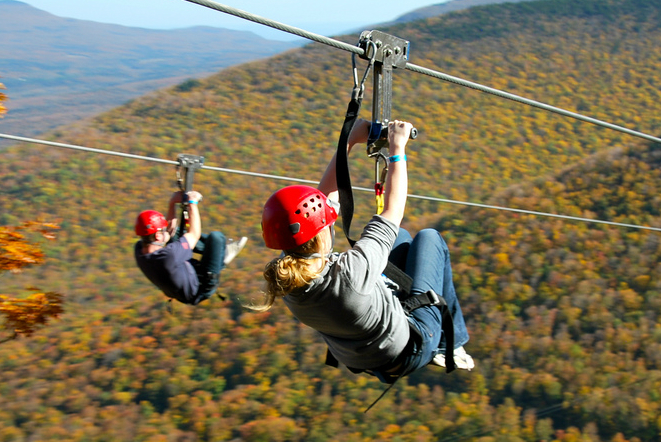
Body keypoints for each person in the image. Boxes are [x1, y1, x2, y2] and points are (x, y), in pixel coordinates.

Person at [259, 119, 473, 384]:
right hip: (410, 347)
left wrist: (349, 142)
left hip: (364, 354)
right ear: (321, 235)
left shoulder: (287, 278)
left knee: (401, 239)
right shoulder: (351, 273)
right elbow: (393, 210)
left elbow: (322, 199)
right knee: (429, 239)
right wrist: (397, 148)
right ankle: (451, 344)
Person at [135, 190, 247, 305]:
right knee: (216, 238)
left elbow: (170, 231)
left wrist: (172, 203)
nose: (165, 230)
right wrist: (192, 203)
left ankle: (216, 253)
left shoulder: (139, 250)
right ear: (157, 236)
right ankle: (221, 257)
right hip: (201, 286)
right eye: (162, 230)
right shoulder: (169, 256)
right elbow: (194, 234)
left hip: (182, 280)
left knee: (175, 233)